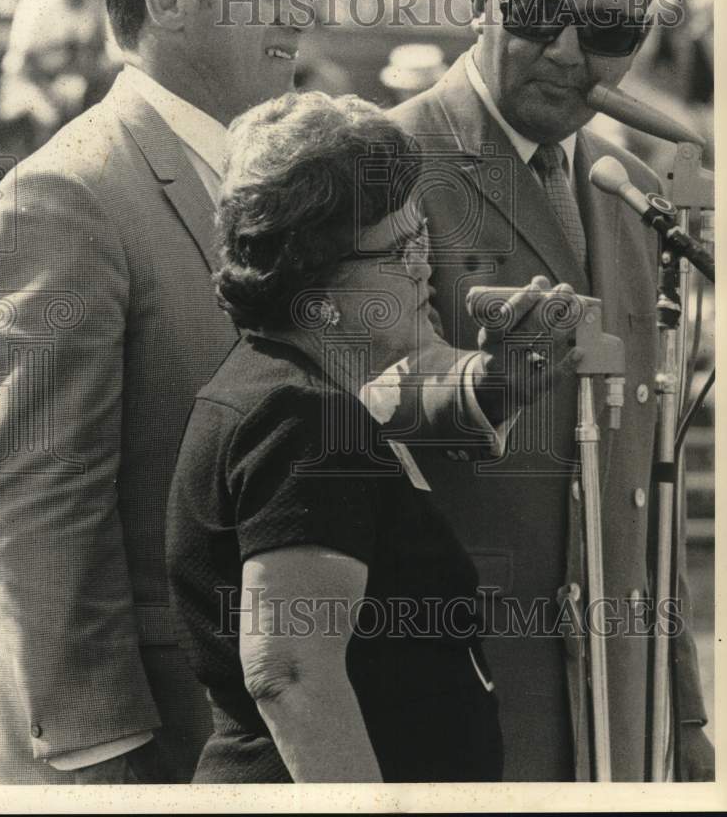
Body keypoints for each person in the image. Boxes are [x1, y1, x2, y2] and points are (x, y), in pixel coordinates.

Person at [0, 0, 309, 785]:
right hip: (125, 748)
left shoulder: (249, 177)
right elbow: (37, 505)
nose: (300, 14)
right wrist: (98, 757)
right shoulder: (66, 195)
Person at [390, 0, 714, 781]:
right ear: (478, 0)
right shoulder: (381, 165)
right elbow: (363, 403)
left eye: (610, 30)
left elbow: (644, 492)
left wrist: (682, 716)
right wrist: (493, 380)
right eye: (536, 12)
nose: (569, 53)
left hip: (616, 722)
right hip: (459, 716)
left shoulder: (627, 191)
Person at [166, 90, 582, 783]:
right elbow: (290, 673)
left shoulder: (307, 397)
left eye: (424, 239)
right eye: (400, 250)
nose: (425, 267)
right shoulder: (302, 418)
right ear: (316, 281)